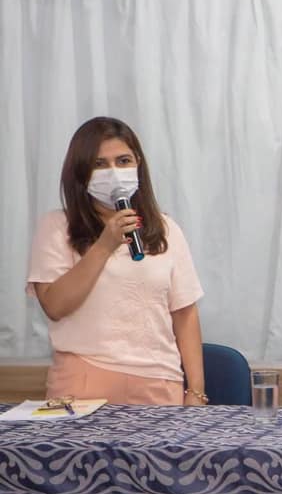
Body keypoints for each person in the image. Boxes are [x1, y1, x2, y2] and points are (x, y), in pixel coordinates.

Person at [26, 116, 206, 406]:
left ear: (138, 163)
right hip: (82, 381)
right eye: (99, 164)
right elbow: (55, 306)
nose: (114, 172)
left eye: (123, 161)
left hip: (160, 381)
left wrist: (196, 391)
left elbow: (185, 314)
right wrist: (104, 245)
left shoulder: (166, 229)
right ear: (81, 172)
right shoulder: (57, 226)